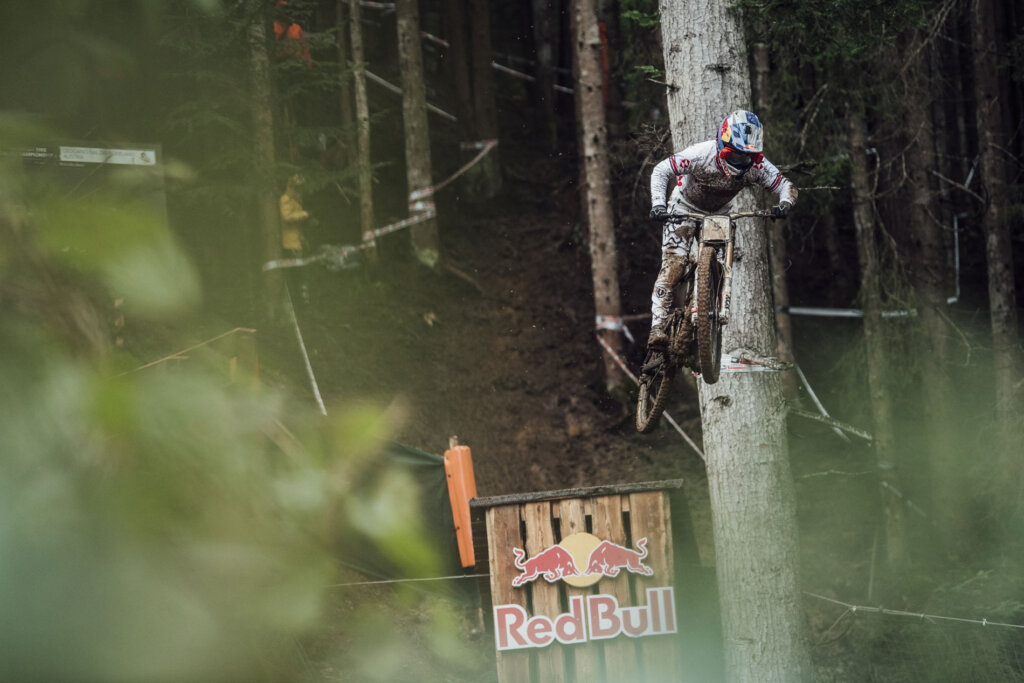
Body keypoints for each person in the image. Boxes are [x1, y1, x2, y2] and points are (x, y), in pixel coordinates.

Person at [646, 109, 797, 349]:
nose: (741, 163)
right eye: (735, 156)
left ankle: (702, 324)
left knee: (717, 267)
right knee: (674, 264)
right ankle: (657, 326)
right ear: (721, 145)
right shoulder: (700, 154)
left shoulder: (757, 166)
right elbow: (662, 170)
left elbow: (785, 186)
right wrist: (658, 204)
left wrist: (785, 204)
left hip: (719, 213)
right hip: (683, 206)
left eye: (746, 158)